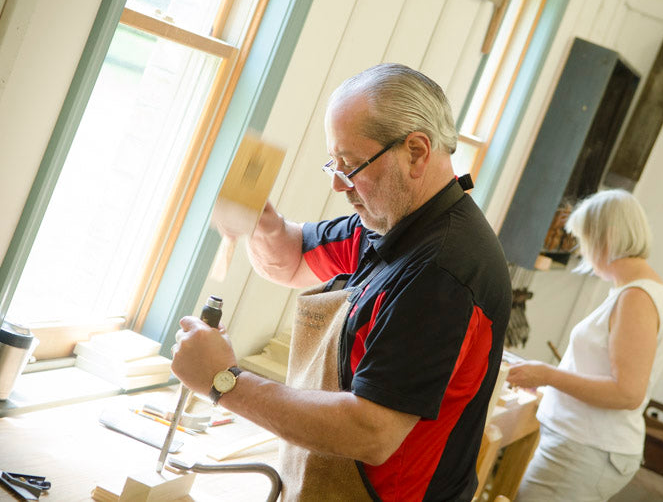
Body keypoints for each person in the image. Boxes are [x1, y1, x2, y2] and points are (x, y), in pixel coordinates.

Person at [171, 63, 512, 501]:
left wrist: (225, 381)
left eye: (350, 165)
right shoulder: (388, 225)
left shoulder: (443, 271)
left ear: (416, 152)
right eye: (333, 162)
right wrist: (261, 220)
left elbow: (371, 432)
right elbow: (291, 261)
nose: (337, 183)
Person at [507, 189, 663, 501]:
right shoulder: (637, 292)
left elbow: (626, 392)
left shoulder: (636, 298)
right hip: (582, 446)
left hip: (584, 451)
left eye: (584, 241)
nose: (582, 252)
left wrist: (548, 375)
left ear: (608, 238)